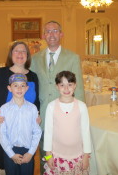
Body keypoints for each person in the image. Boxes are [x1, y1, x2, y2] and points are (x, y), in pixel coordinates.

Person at [30, 20, 85, 174]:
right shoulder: (35, 58)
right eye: (48, 31)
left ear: (61, 34)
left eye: (55, 31)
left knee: (65, 151)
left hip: (66, 113)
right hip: (42, 114)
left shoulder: (73, 57)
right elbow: (32, 87)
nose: (51, 34)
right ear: (43, 36)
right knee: (44, 152)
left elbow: (78, 87)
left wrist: (80, 115)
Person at [0, 41, 40, 175]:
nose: (20, 54)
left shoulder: (33, 76)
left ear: (27, 55)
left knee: (25, 165)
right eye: (16, 51)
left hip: (25, 128)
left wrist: (37, 115)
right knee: (1, 161)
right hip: (2, 123)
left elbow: (37, 100)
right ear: (11, 54)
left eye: (23, 51)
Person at [43, 71, 91, 175]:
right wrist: (48, 155)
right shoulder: (51, 106)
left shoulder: (81, 106)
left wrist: (86, 156)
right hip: (56, 157)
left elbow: (86, 132)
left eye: (69, 85)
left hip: (77, 157)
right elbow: (48, 133)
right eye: (62, 85)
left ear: (75, 85)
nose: (66, 89)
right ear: (57, 86)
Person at [0, 73, 42, 175]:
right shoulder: (4, 109)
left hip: (27, 150)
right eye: (15, 85)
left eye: (22, 85)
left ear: (27, 88)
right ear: (9, 88)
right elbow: (2, 134)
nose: (19, 88)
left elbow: (37, 132)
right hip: (10, 150)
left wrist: (31, 153)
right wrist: (11, 154)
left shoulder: (32, 108)